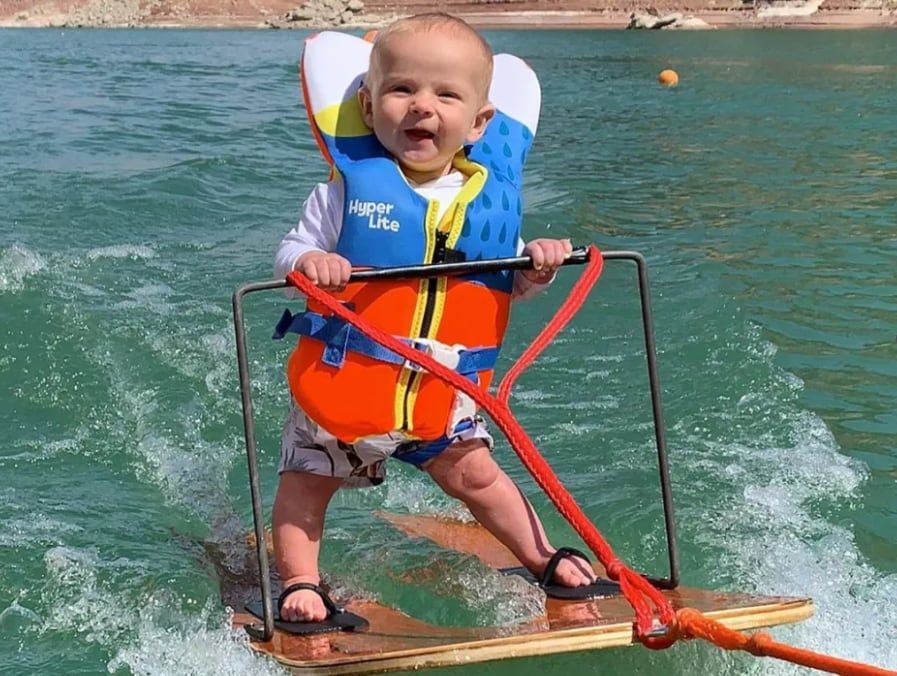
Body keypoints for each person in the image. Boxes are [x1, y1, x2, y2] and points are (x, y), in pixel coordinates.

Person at [272, 13, 595, 623]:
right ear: (368, 108)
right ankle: (302, 584)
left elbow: (506, 286)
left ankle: (541, 558)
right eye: (403, 90)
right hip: (347, 383)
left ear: (478, 123)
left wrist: (538, 267)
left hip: (442, 392)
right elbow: (289, 251)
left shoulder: (487, 207)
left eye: (446, 94)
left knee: (478, 477)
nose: (422, 106)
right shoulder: (343, 191)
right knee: (305, 484)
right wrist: (314, 259)